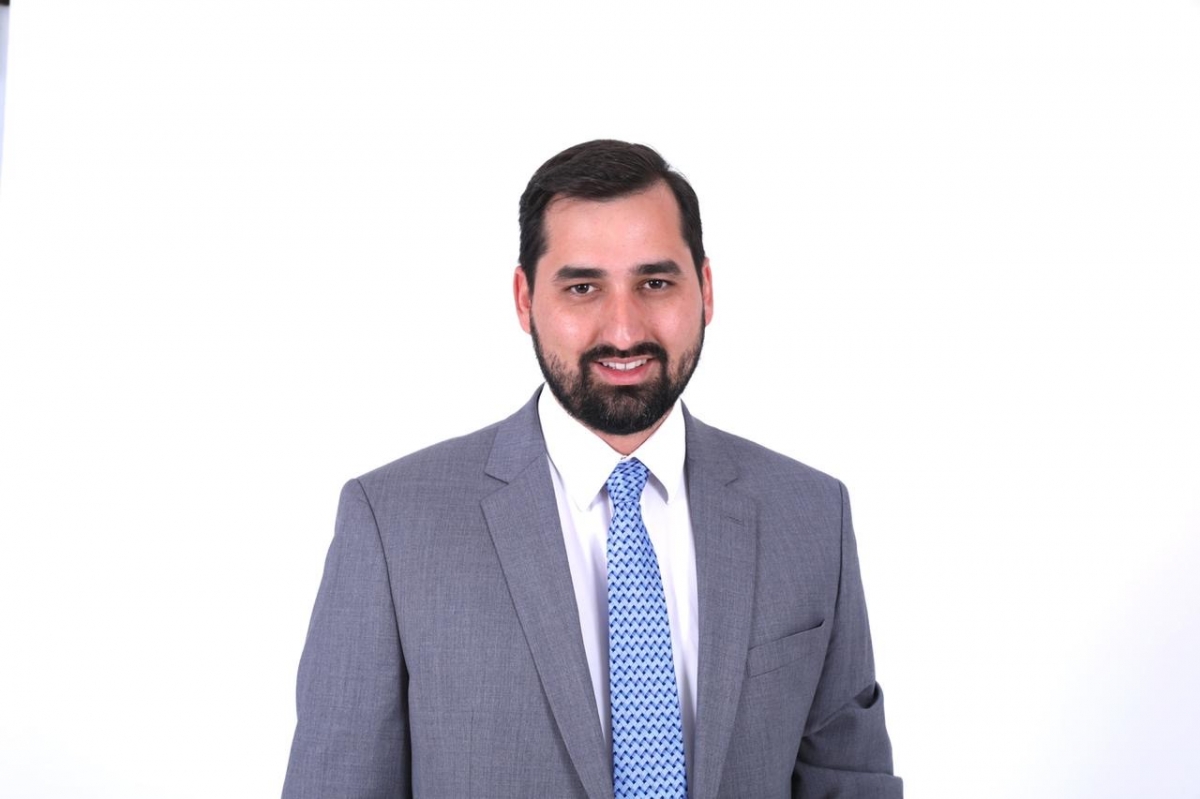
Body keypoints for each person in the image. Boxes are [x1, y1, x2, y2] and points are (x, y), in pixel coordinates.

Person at [282, 140, 901, 799]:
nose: (624, 330)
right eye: (583, 288)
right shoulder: (392, 525)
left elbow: (850, 781)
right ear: (525, 299)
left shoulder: (810, 515)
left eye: (655, 283)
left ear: (705, 290)